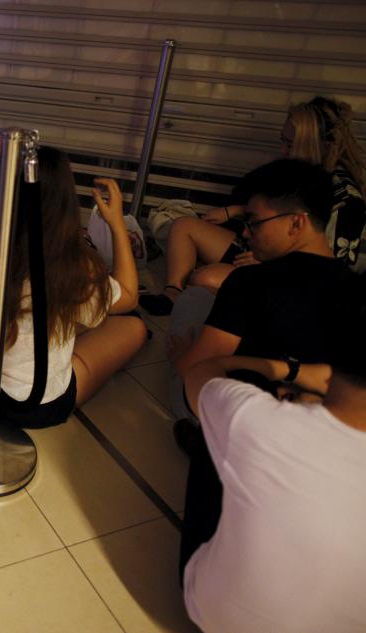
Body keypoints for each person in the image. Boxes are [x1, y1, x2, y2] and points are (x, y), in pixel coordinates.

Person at [0, 141, 147, 427]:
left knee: (65, 316)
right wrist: (117, 223)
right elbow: (130, 296)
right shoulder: (74, 264)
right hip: (32, 406)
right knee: (133, 326)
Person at [179, 325, 366, 631]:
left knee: (218, 431)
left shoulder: (256, 420)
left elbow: (201, 371)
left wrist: (293, 370)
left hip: (216, 618)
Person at [169, 158, 360, 439]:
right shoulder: (355, 287)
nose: (246, 232)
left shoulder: (251, 281)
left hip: (246, 424)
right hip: (321, 429)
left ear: (296, 223)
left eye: (254, 222)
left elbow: (193, 369)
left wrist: (181, 357)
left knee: (192, 299)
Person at [141, 96, 366, 315]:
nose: (283, 151)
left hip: (287, 273)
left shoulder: (345, 198)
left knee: (203, 279)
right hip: (261, 251)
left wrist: (269, 262)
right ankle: (173, 294)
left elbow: (326, 272)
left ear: (323, 146)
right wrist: (235, 211)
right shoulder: (296, 173)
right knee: (183, 226)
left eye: (290, 144)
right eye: (283, 141)